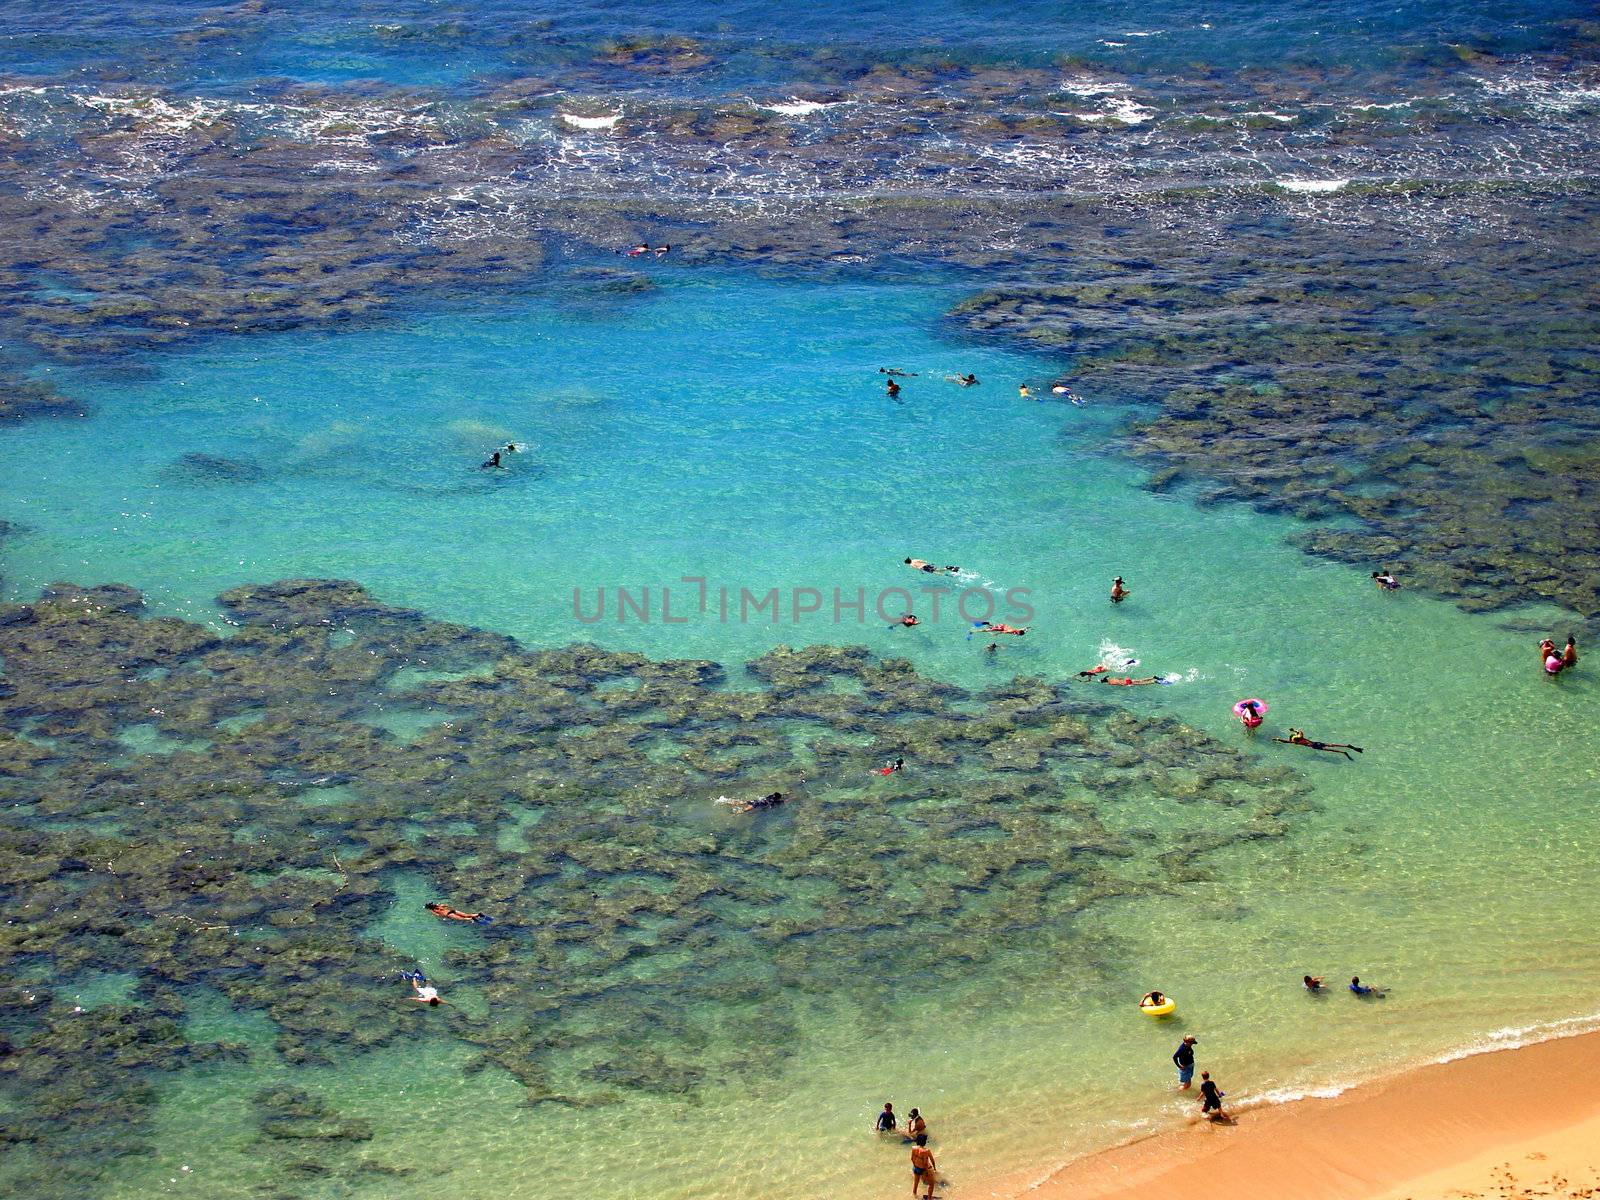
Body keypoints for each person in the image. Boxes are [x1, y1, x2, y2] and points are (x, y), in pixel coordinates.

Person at [1274, 728, 1364, 760]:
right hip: (1315, 743)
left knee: (1331, 749)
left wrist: (1278, 739)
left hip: (1313, 746)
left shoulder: (1295, 741)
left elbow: (1285, 741)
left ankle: (1343, 752)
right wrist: (1294, 730)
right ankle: (1347, 746)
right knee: (1331, 745)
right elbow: (1300, 732)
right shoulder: (1301, 737)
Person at [910, 1134, 937, 1198]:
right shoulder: (926, 1151)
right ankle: (929, 1198)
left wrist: (915, 1165)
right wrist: (931, 1170)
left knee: (916, 1182)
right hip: (923, 1169)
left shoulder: (913, 1148)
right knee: (931, 1184)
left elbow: (912, 1159)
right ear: (924, 1142)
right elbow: (929, 1162)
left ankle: (914, 1195)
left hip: (915, 1168)